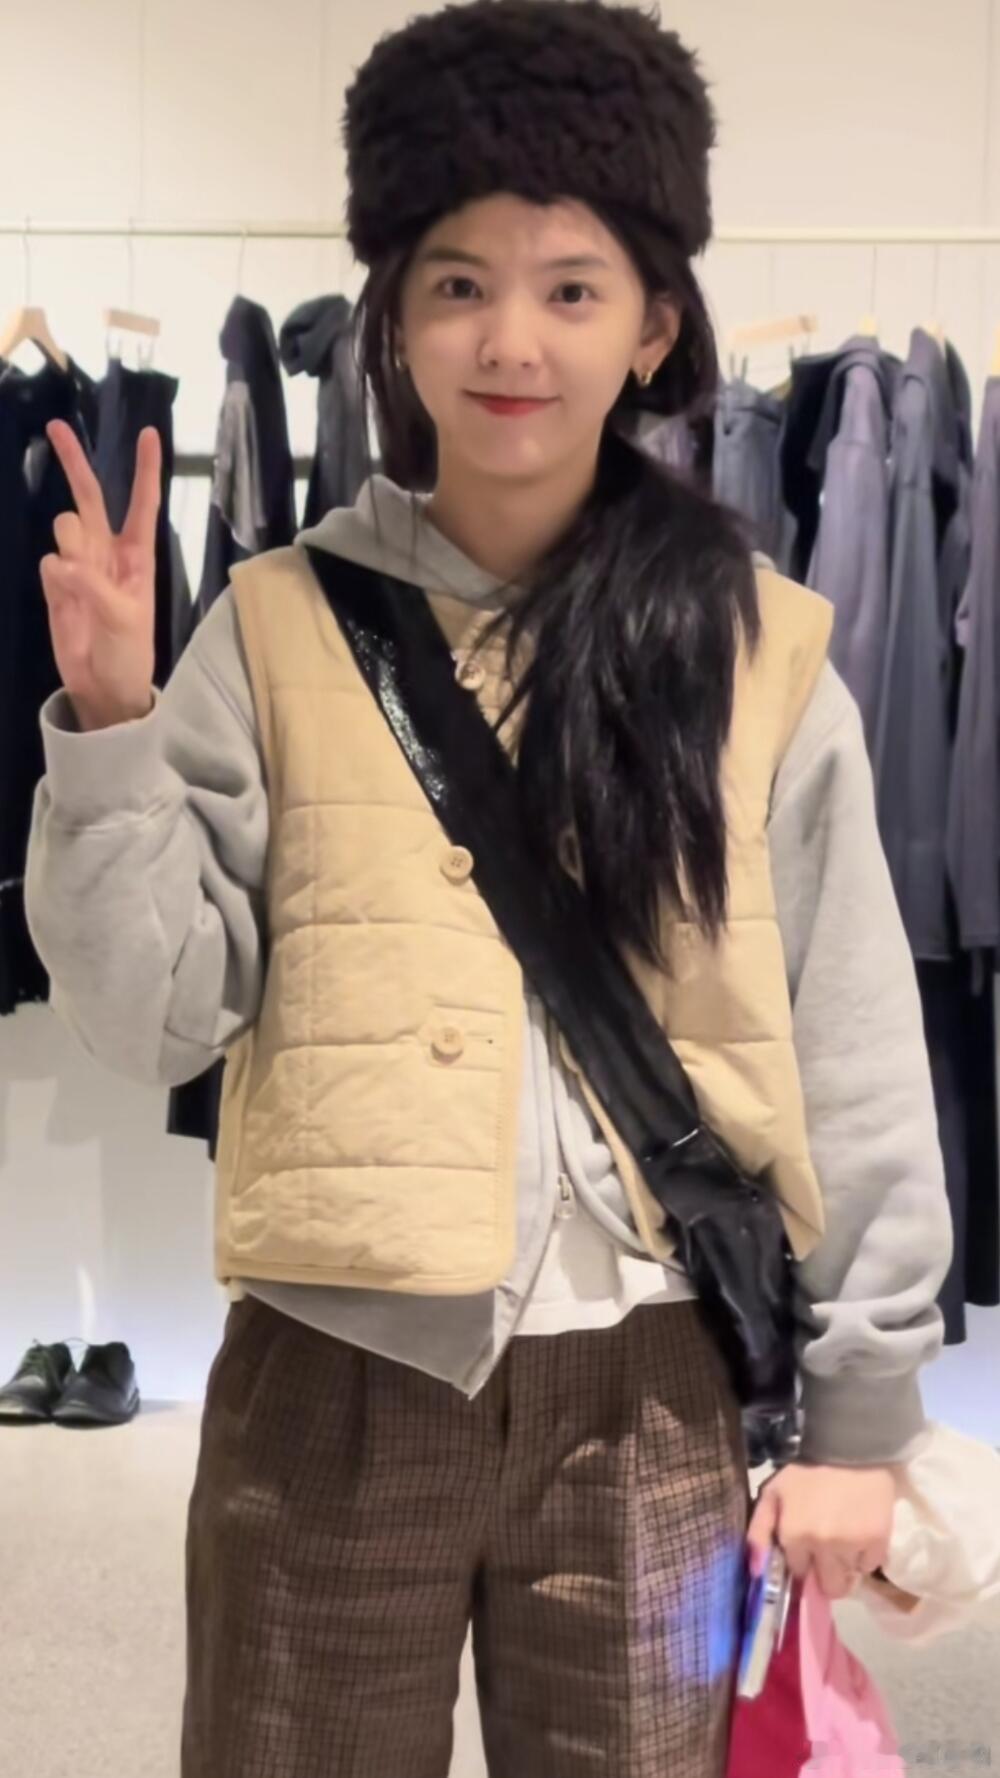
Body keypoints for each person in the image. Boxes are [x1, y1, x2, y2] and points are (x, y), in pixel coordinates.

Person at [25, 3, 953, 1773]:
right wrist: (117, 728)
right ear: (393, 311)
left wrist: (861, 1411)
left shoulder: (758, 651)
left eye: (571, 287)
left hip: (658, 1393)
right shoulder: (271, 625)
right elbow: (151, 1020)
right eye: (457, 283)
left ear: (654, 322)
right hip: (330, 1377)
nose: (511, 339)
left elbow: (850, 1044)